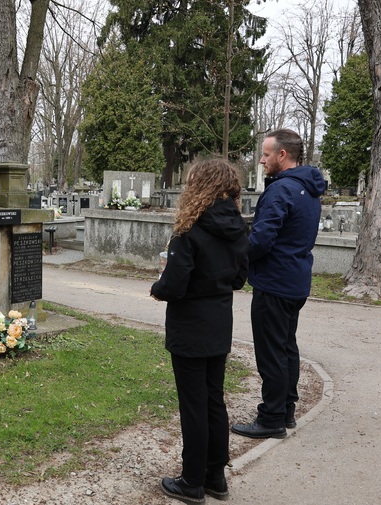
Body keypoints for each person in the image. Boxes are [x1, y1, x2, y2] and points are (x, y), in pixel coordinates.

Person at [150, 159, 249, 503]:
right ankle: (215, 476)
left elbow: (174, 285)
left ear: (199, 186)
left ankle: (192, 480)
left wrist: (158, 285)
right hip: (219, 322)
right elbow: (238, 278)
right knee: (213, 402)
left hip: (191, 326)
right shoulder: (237, 227)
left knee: (194, 405)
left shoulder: (189, 230)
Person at [231, 128, 326, 440]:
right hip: (295, 280)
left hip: (274, 282)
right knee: (286, 347)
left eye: (266, 154)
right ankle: (286, 409)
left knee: (271, 352)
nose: (262, 160)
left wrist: (235, 258)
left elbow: (261, 239)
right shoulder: (308, 188)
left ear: (282, 155)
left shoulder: (282, 190)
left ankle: (271, 418)